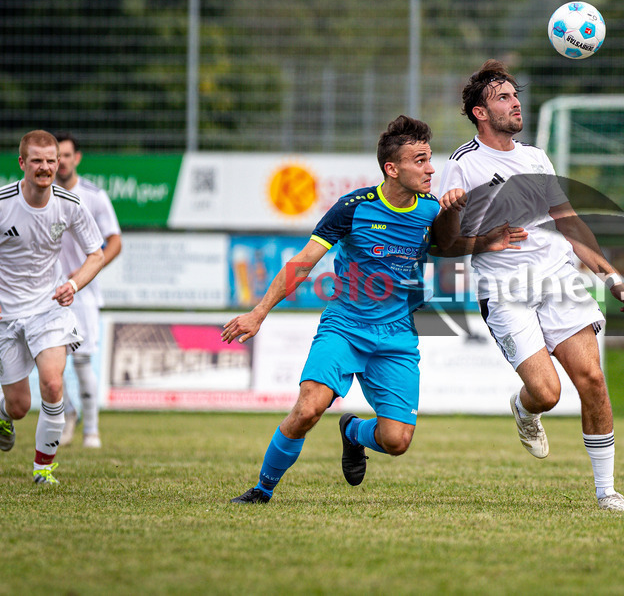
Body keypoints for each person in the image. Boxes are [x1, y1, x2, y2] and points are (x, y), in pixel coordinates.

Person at [222, 115, 522, 504]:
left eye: (430, 158)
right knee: (309, 408)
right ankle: (262, 489)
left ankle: (352, 433)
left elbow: (446, 246)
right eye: (420, 160)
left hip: (397, 334)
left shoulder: (431, 210)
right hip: (344, 326)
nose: (431, 168)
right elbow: (302, 263)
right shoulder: (353, 208)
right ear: (392, 168)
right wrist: (258, 312)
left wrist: (484, 241)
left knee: (396, 441)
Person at [435, 60, 624, 512]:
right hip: (505, 290)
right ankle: (526, 408)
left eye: (515, 95)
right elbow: (443, 245)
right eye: (503, 98)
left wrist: (612, 277)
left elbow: (569, 223)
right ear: (480, 113)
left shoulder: (535, 158)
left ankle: (607, 491)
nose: (515, 103)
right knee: (547, 394)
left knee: (592, 379)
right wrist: (470, 226)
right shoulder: (462, 165)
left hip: (559, 280)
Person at [0, 130, 105, 485]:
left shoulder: (70, 204)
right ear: (22, 163)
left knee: (52, 384)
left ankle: (43, 468)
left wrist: (74, 284)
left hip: (48, 309)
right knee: (19, 406)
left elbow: (98, 253)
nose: (46, 167)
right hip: (2, 316)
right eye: (37, 161)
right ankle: (3, 411)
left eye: (51, 160)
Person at [54, 132, 123, 449]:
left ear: (76, 158)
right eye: (56, 156)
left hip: (82, 294)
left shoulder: (94, 197)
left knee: (81, 362)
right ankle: (68, 415)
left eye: (66, 155)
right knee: (51, 364)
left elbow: (115, 242)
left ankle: (91, 430)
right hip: (47, 293)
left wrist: (85, 273)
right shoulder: (40, 195)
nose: (61, 162)